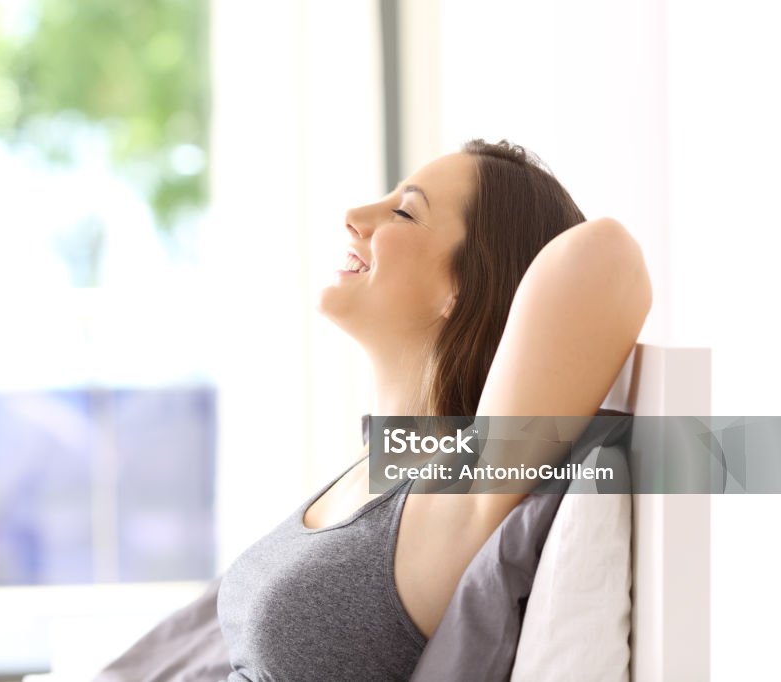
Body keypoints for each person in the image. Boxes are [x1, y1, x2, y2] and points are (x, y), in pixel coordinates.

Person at [213, 139, 653, 681]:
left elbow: (605, 254)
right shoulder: (379, 467)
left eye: (404, 211)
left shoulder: (455, 497)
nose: (353, 217)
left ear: (464, 287)